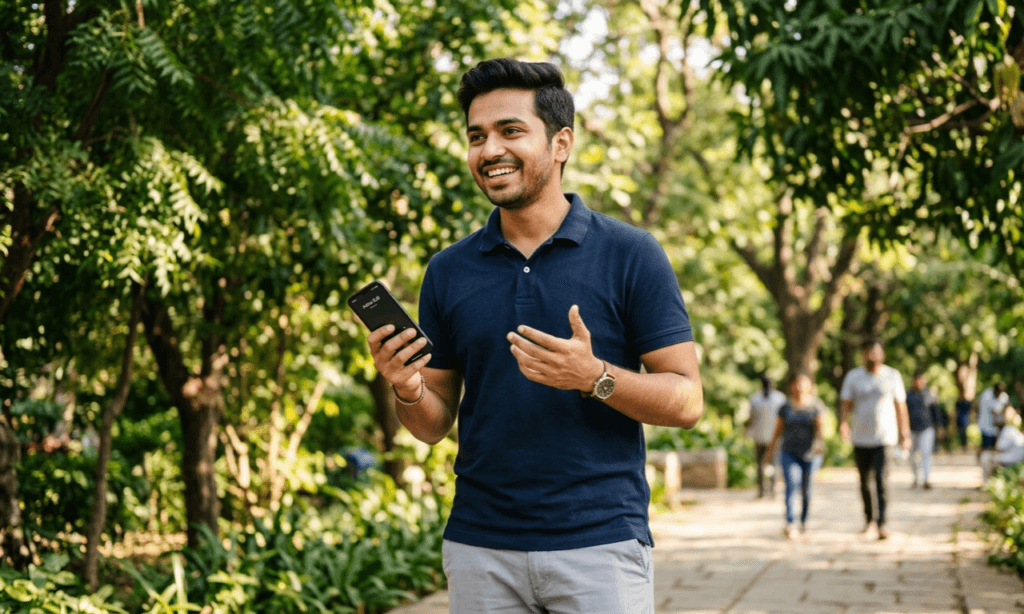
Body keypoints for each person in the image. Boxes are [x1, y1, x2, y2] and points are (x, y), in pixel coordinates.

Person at [367, 58, 703, 614]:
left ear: (561, 143)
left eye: (510, 131)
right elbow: (432, 423)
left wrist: (593, 377)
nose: (489, 149)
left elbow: (687, 400)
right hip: (480, 547)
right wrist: (405, 388)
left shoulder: (630, 253)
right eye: (477, 136)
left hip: (600, 543)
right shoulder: (448, 271)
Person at [839, 339, 911, 541]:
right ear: (863, 355)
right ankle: (869, 520)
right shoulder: (854, 377)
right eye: (868, 353)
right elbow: (845, 403)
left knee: (881, 480)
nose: (872, 356)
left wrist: (905, 434)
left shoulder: (892, 376)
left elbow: (900, 406)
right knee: (864, 482)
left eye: (876, 353)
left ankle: (883, 523)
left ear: (882, 355)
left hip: (885, 437)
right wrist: (843, 423)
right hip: (860, 437)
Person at [763, 371, 825, 538]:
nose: (799, 387)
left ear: (809, 386)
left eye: (803, 383)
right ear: (791, 386)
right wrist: (769, 453)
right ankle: (790, 523)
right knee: (791, 484)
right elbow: (777, 432)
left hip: (810, 454)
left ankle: (804, 521)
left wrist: (820, 444)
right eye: (797, 383)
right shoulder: (785, 407)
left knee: (806, 490)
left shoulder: (816, 406)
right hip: (789, 452)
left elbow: (820, 430)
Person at [745, 374, 787, 498]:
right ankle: (773, 489)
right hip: (775, 436)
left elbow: (751, 418)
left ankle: (762, 490)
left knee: (760, 464)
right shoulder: (780, 398)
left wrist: (747, 431)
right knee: (775, 463)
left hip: (759, 436)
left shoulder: (755, 398)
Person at [905, 370, 938, 489]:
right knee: (913, 455)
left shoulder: (930, 394)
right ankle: (915, 478)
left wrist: (939, 427)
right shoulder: (908, 395)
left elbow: (936, 412)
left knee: (925, 453)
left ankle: (926, 479)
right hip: (912, 429)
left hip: (927, 428)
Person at [978, 383, 1010, 480]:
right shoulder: (987, 395)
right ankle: (986, 478)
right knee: (987, 452)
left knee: (998, 453)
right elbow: (996, 411)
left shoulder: (1003, 396)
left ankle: (994, 477)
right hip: (987, 428)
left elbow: (1006, 408)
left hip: (998, 430)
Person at [995, 404, 1024, 469]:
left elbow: (1000, 446)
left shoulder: (1009, 429)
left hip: (1013, 460)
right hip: (1018, 459)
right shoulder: (1012, 430)